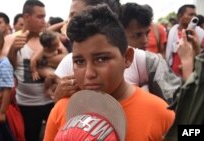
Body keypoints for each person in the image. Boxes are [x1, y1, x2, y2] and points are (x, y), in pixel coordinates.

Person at [43, 4, 175, 141]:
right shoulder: (61, 109)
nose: (89, 74)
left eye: (101, 59)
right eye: (79, 61)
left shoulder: (161, 114)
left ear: (127, 57)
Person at [53, 0, 181, 103]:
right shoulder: (68, 62)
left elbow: (181, 111)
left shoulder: (146, 62)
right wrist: (59, 99)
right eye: (80, 61)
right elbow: (58, 118)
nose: (89, 74)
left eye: (75, 16)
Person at [7, 1, 55, 140]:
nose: (44, 21)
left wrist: (45, 57)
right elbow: (7, 68)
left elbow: (66, 58)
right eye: (40, 17)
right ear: (27, 17)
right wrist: (13, 51)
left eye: (44, 17)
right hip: (26, 104)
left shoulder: (47, 39)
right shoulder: (11, 39)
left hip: (50, 101)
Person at [166, 4, 204, 77]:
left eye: (195, 15)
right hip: (174, 75)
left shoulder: (201, 33)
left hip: (193, 75)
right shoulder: (172, 32)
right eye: (191, 14)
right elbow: (169, 53)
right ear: (180, 16)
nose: (194, 17)